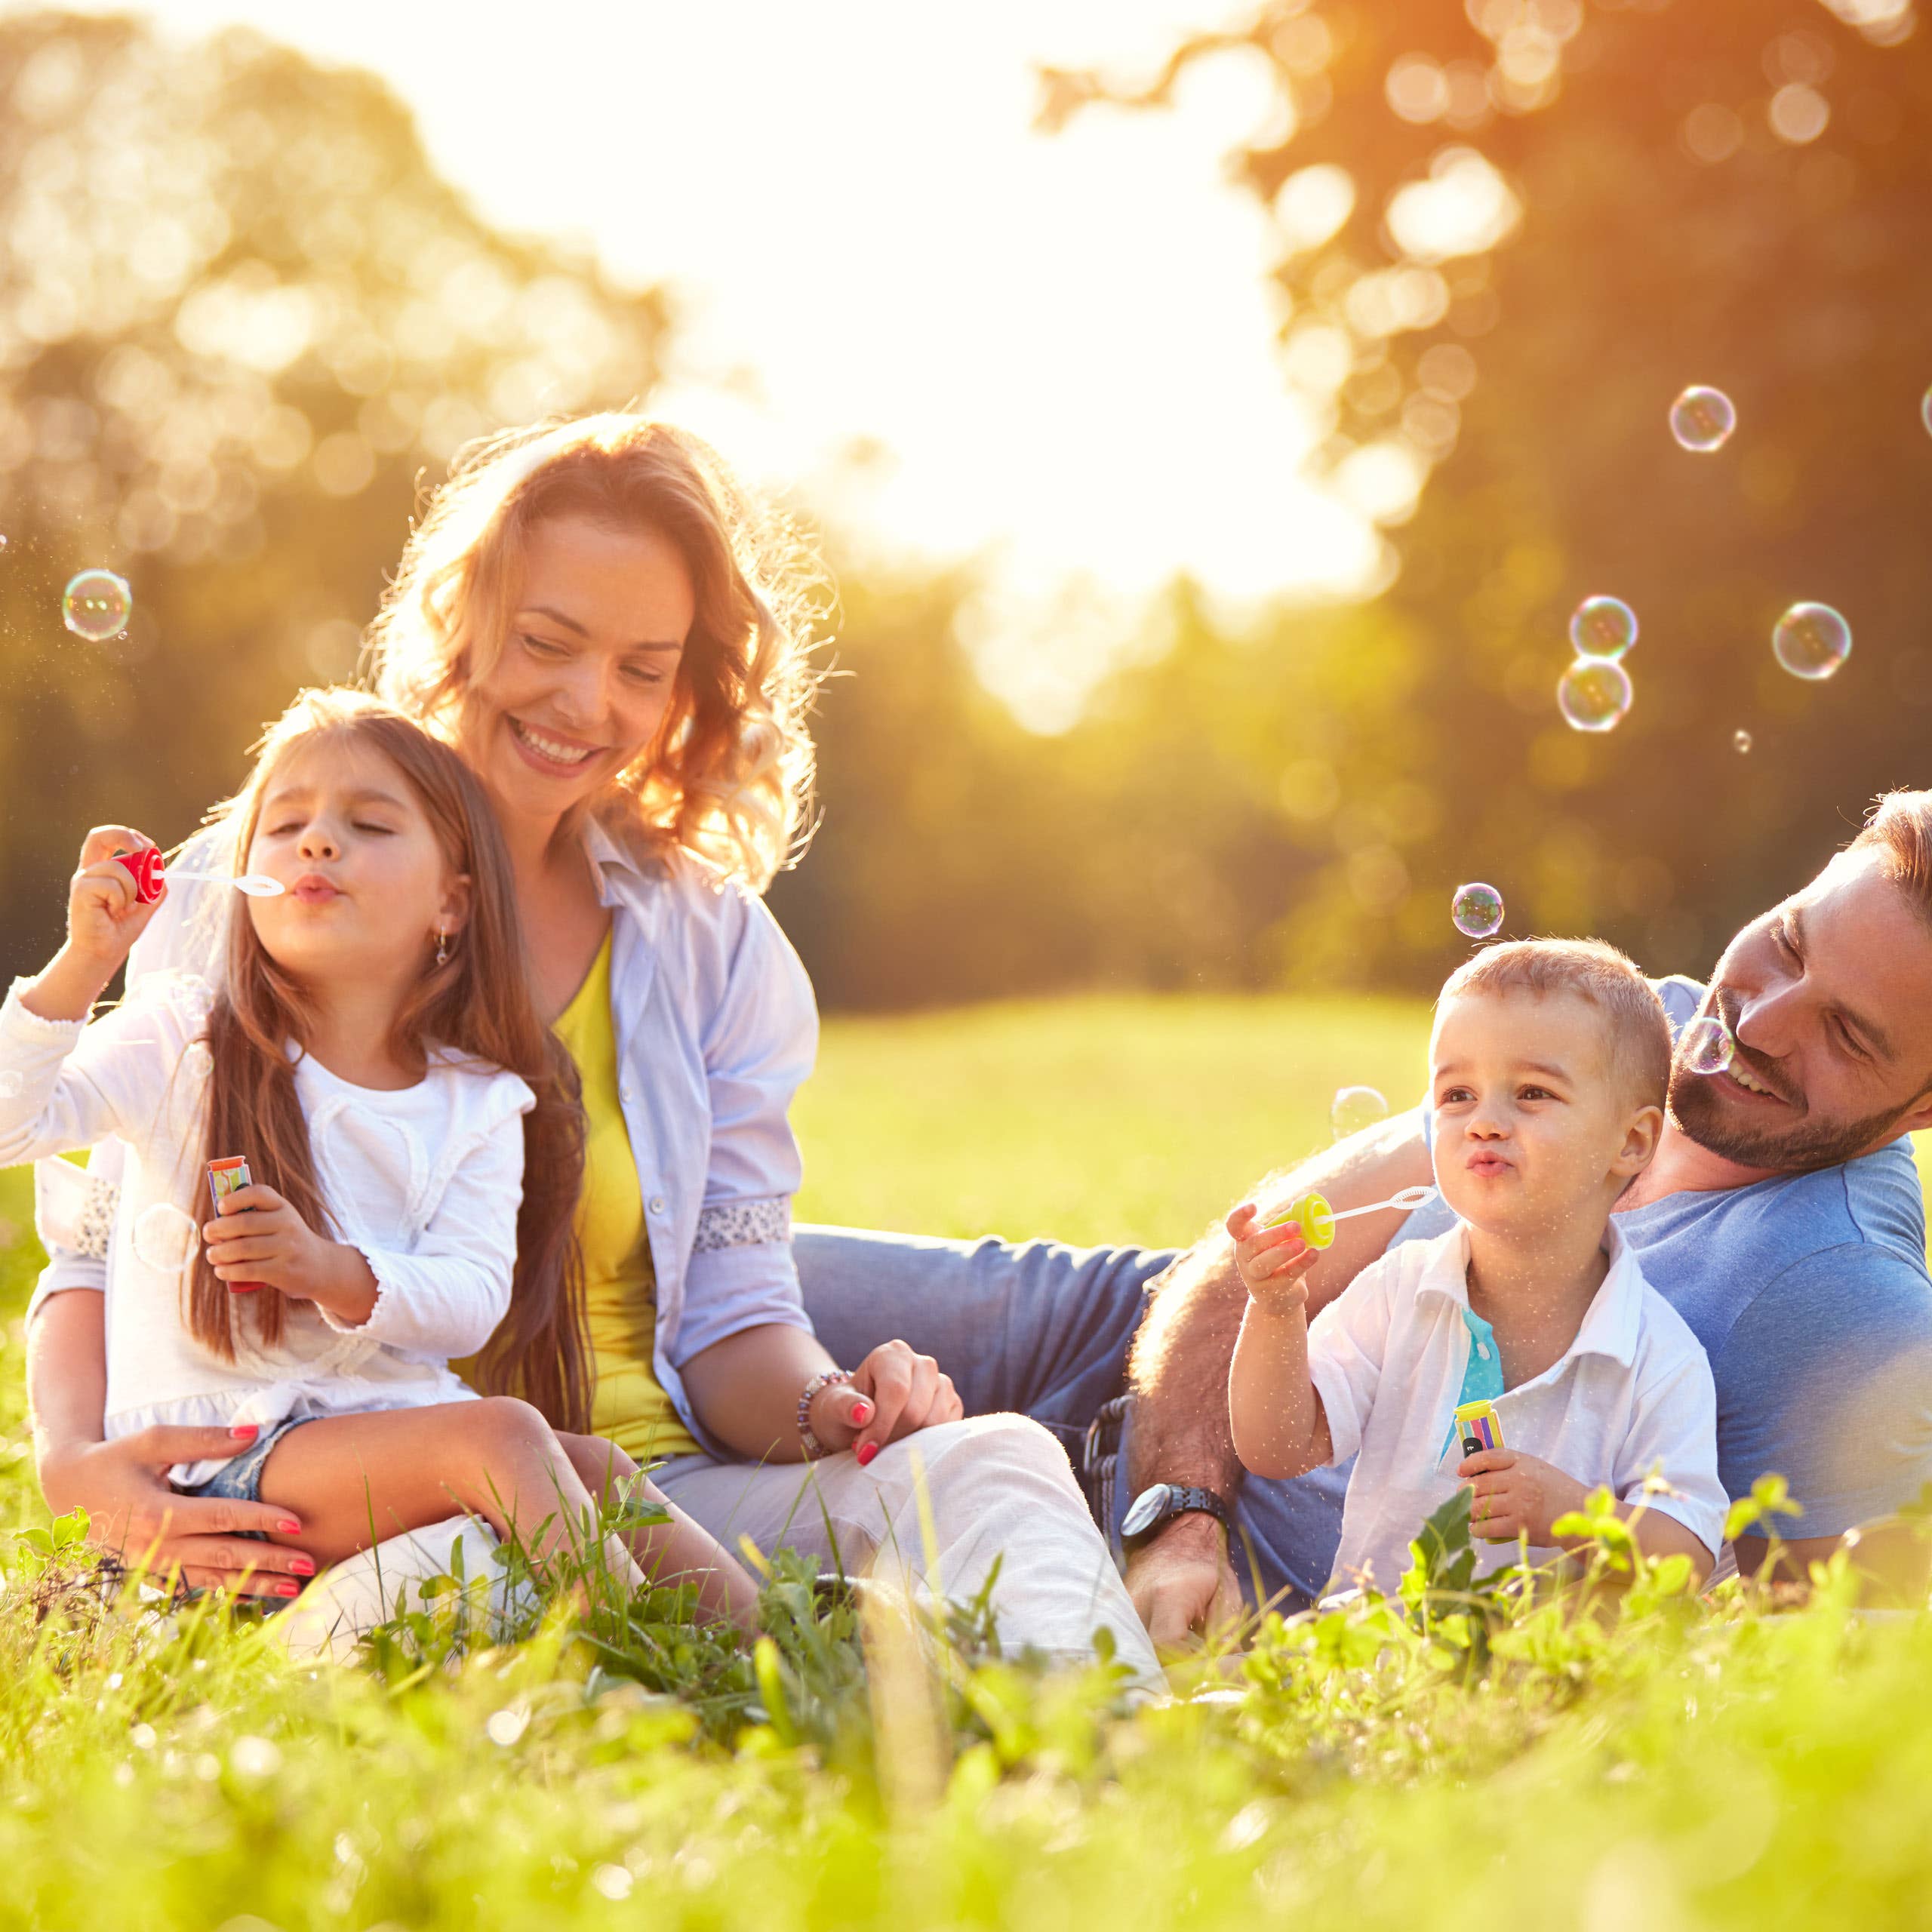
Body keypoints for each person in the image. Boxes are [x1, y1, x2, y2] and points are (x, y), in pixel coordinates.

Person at [24, 414, 1162, 1687]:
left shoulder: (706, 942)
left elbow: (735, 1321)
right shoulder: (262, 885)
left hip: (658, 1498)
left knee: (995, 1462)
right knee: (459, 1589)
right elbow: (95, 1250)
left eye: (642, 669)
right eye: (548, 643)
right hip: (358, 1500)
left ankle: (1098, 1748)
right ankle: (759, 1687)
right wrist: (79, 1471)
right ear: (463, 625)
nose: (587, 704)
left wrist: (831, 1405)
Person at [783, 792, 1932, 1645]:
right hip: (1121, 1339)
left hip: (1223, 1574)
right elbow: (1260, 1250)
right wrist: (1178, 1518)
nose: (1759, 1021)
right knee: (702, 1290)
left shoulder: (1847, 1297)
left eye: (1847, 1034)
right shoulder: (1651, 1021)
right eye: (1790, 941)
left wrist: (1575, 1534)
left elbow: (1790, 1632)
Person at [5, 690, 757, 1617]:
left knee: (595, 1465)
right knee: (504, 1438)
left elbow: (472, 1297)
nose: (318, 843)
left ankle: (771, 1639)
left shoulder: (480, 1098)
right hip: (220, 1460)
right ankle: (648, 1649)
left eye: (367, 825)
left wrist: (332, 1271)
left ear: (452, 902)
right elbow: (13, 1126)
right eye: (286, 826)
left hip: (376, 1438)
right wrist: (83, 966)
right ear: (246, 877)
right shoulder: (178, 1039)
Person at [1227, 940, 1724, 1592]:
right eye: (1457, 1094)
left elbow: (1687, 1558)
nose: (1484, 1123)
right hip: (1375, 1642)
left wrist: (1572, 1514)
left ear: (1630, 1142)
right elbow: (1275, 1447)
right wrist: (1275, 1312)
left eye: (1532, 1092)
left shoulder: (1656, 1355)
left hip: (1547, 1652)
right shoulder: (1399, 1291)